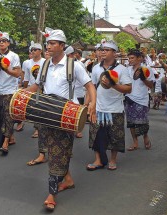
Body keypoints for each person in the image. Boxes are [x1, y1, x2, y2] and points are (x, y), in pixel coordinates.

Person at [26, 27, 96, 211]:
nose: (47, 46)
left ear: (62, 46)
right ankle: (68, 179)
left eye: (52, 43)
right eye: (47, 43)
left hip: (67, 115)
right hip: (46, 113)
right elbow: (36, 86)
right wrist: (20, 94)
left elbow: (90, 86)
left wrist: (92, 105)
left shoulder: (74, 65)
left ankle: (51, 194)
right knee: (55, 151)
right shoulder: (45, 64)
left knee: (58, 151)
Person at [86, 40, 132, 171]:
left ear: (114, 53)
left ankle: (112, 160)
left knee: (114, 136)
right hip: (98, 108)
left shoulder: (122, 69)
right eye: (102, 49)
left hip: (115, 109)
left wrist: (113, 85)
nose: (103, 52)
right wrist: (87, 104)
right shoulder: (95, 68)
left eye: (107, 50)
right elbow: (91, 88)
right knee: (95, 135)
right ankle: (98, 160)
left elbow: (129, 89)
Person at [0, 30, 21, 155]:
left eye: (4, 41)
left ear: (8, 43)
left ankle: (5, 142)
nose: (1, 43)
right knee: (3, 115)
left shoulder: (13, 56)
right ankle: (10, 136)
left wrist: (6, 69)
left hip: (10, 90)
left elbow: (17, 73)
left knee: (8, 115)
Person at [125, 49, 155, 151]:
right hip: (129, 98)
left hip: (141, 99)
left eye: (132, 58)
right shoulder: (127, 70)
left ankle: (145, 137)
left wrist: (143, 78)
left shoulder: (146, 69)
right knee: (131, 123)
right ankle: (135, 142)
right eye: (129, 58)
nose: (130, 60)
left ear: (139, 58)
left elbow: (151, 85)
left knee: (142, 122)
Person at [23, 41, 46, 139]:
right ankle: (37, 127)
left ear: (40, 51)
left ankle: (39, 129)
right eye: (31, 49)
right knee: (34, 109)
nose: (33, 51)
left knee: (41, 108)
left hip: (43, 89)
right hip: (31, 88)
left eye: (35, 49)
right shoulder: (27, 62)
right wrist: (24, 89)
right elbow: (26, 78)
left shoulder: (45, 62)